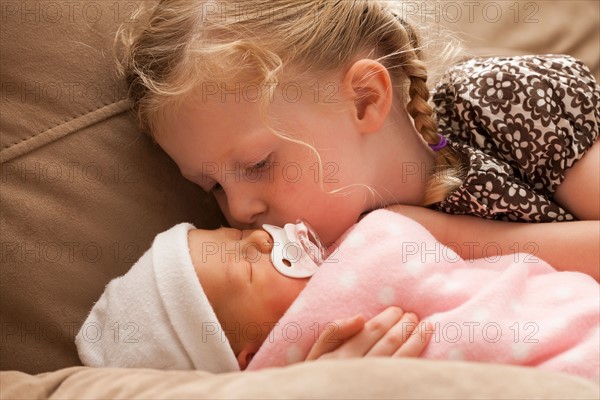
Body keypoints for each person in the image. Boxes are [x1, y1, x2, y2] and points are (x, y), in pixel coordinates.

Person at [118, 0, 599, 352]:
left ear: (366, 98)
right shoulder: (294, 274)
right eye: (215, 186)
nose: (240, 211)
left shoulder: (503, 104)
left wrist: (445, 235)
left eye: (258, 164)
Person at [75, 210, 599, 380]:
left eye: (235, 237)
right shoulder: (309, 365)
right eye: (247, 263)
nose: (260, 234)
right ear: (251, 357)